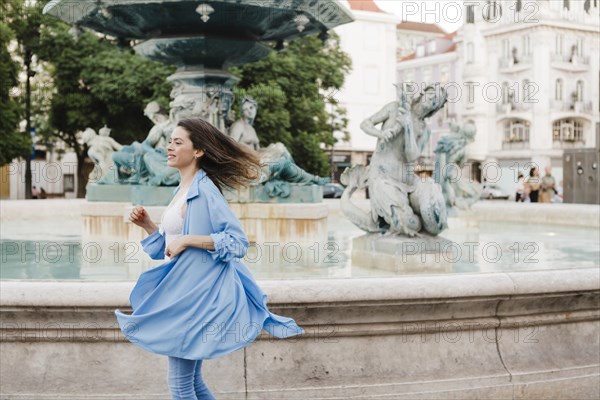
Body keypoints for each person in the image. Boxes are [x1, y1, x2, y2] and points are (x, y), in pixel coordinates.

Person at [115, 118, 304, 400]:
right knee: (192, 383)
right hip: (186, 296)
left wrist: (189, 239)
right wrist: (148, 226)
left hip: (196, 300)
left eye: (178, 142)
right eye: (170, 141)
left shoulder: (205, 191)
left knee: (180, 386)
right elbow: (166, 249)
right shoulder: (184, 189)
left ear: (199, 151)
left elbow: (238, 242)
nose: (169, 147)